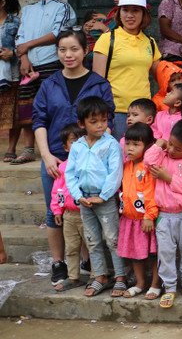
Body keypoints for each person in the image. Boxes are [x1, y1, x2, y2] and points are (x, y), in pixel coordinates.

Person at [33, 29, 114, 287]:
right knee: (54, 211)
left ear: (85, 51)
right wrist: (46, 156)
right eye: (62, 50)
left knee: (89, 210)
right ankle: (59, 262)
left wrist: (96, 154)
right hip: (57, 159)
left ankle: (89, 261)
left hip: (90, 160)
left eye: (74, 49)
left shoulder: (99, 84)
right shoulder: (49, 84)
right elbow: (40, 120)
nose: (68, 55)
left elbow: (106, 122)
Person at [14, 0, 76, 165]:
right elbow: (20, 36)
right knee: (27, 107)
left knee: (53, 107)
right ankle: (29, 149)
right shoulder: (28, 10)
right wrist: (24, 58)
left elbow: (59, 34)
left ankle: (56, 147)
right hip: (28, 65)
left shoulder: (62, 7)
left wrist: (28, 45)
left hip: (52, 62)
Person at [65, 96, 126, 298]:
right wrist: (77, 196)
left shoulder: (111, 145)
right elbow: (70, 174)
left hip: (105, 200)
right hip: (84, 200)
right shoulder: (77, 147)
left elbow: (115, 173)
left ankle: (120, 277)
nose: (100, 125)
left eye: (104, 120)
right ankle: (100, 276)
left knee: (113, 239)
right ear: (82, 124)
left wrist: (104, 196)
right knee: (91, 240)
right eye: (94, 121)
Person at [144, 120, 182, 308]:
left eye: (178, 149)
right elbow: (148, 161)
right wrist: (158, 144)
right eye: (170, 144)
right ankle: (169, 287)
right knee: (166, 252)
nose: (171, 150)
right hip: (164, 216)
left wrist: (168, 178)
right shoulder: (162, 155)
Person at [92, 0, 161, 139]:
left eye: (135, 10)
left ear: (144, 14)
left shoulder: (150, 42)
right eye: (125, 10)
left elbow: (161, 77)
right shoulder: (107, 39)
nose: (130, 15)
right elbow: (97, 81)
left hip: (144, 113)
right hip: (116, 113)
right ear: (119, 13)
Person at [118, 123, 161, 299]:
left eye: (136, 144)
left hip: (146, 219)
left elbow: (151, 193)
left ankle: (155, 285)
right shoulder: (125, 166)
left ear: (148, 147)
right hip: (129, 219)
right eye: (128, 143)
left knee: (153, 254)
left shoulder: (148, 168)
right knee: (135, 254)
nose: (130, 148)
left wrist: (149, 216)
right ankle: (140, 283)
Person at [49, 123, 87, 292]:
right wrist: (57, 210)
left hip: (88, 213)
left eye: (81, 140)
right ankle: (73, 277)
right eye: (73, 141)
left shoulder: (90, 164)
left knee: (94, 246)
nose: (78, 144)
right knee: (71, 248)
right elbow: (57, 191)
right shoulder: (62, 168)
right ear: (65, 147)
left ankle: (97, 276)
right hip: (69, 215)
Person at [0, 0, 22, 162]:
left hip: (11, 74)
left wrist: (12, 53)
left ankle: (11, 148)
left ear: (2, 3)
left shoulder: (16, 23)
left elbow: (23, 45)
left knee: (13, 113)